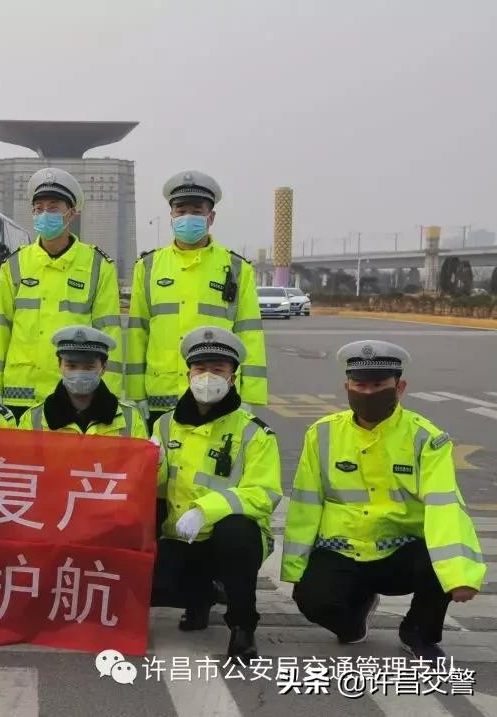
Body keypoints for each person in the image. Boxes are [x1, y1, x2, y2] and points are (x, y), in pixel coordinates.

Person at [282, 340, 485, 662]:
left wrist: (459, 574)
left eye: (378, 385)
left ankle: (418, 631)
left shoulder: (426, 438)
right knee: (313, 600)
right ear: (347, 387)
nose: (368, 393)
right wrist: (294, 567)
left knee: (436, 563)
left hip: (400, 551)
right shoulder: (321, 434)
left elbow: (444, 506)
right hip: (343, 547)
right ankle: (354, 619)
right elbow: (306, 503)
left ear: (399, 387)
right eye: (360, 385)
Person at [150, 326, 282, 663]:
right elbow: (157, 489)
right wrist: (149, 466)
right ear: (188, 374)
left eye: (218, 370)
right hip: (181, 536)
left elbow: (263, 493)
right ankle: (200, 598)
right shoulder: (164, 425)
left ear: (233, 378)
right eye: (200, 369)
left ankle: (242, 625)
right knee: (148, 580)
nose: (207, 377)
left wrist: (205, 510)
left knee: (237, 533)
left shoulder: (254, 432)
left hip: (231, 541)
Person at [127, 171, 267, 432]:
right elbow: (138, 333)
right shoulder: (148, 267)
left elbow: (249, 334)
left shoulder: (237, 268)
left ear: (210, 217)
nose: (187, 217)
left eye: (196, 210)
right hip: (162, 392)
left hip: (218, 392)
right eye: (181, 210)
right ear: (171, 216)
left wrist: (250, 396)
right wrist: (135, 393)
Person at [0, 168, 122, 421]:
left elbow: (109, 334)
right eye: (39, 208)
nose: (44, 214)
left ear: (72, 213)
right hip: (19, 393)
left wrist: (108, 396)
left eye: (53, 208)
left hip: (74, 394)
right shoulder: (14, 264)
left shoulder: (98, 266)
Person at [18, 326, 147, 439]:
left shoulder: (130, 419)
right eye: (71, 366)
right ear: (59, 365)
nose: (79, 374)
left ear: (103, 367)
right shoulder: (33, 419)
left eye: (88, 367)